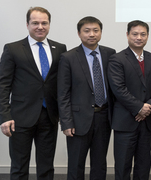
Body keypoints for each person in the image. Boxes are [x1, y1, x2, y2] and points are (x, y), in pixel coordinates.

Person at [0, 7, 67, 180]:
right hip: (20, 118)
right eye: (35, 23)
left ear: (49, 25)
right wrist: (4, 116)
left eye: (44, 23)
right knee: (19, 167)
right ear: (27, 24)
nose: (40, 26)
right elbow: (2, 85)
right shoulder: (13, 49)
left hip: (49, 116)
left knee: (46, 167)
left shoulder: (60, 48)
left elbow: (63, 84)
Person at [58, 16, 116, 180]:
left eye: (96, 30)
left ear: (101, 32)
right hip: (77, 119)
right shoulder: (68, 57)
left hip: (104, 116)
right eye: (87, 30)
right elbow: (63, 93)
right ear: (79, 33)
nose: (92, 34)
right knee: (76, 165)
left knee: (100, 164)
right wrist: (66, 122)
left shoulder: (110, 54)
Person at [108, 20, 151, 180]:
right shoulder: (116, 59)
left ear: (147, 36)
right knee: (123, 165)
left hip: (147, 122)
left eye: (143, 34)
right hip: (125, 121)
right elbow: (118, 89)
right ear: (127, 35)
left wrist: (149, 108)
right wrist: (139, 108)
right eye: (135, 34)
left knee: (144, 164)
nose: (139, 37)